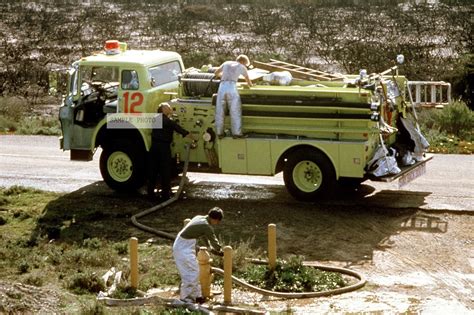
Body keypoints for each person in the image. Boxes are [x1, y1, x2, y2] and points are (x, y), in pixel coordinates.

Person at [173, 207, 224, 304]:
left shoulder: (199, 218)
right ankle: (185, 299)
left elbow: (203, 235)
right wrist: (220, 251)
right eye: (218, 222)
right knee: (190, 273)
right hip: (183, 247)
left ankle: (198, 296)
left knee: (195, 270)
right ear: (215, 219)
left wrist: (209, 248)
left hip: (184, 244)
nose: (217, 224)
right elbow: (214, 240)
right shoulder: (206, 226)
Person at [147, 102, 194, 200]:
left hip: (154, 147)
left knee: (153, 171)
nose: (171, 109)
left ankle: (150, 193)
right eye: (168, 108)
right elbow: (177, 128)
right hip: (163, 148)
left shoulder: (155, 119)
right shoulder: (167, 121)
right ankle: (165, 195)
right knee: (165, 171)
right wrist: (188, 134)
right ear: (163, 110)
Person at [214, 54, 253, 139]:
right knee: (235, 110)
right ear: (243, 62)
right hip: (232, 87)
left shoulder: (226, 63)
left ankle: (219, 133)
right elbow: (248, 80)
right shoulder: (242, 67)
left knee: (220, 111)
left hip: (221, 86)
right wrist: (251, 86)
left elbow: (216, 73)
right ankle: (236, 133)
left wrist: (223, 77)